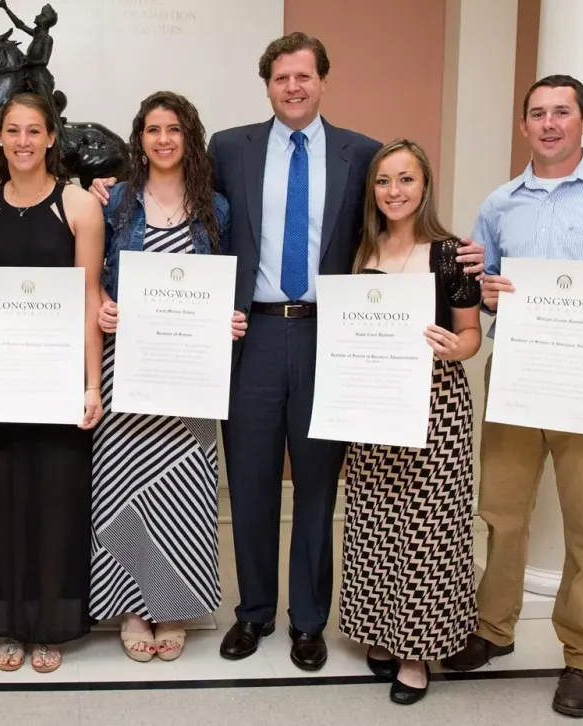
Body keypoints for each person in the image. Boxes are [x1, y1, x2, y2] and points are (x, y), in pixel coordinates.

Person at [91, 32, 483, 671]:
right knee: (248, 483)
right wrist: (111, 185)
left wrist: (462, 258)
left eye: (304, 77)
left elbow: (398, 221)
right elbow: (177, 193)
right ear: (267, 85)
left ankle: (307, 621)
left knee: (317, 484)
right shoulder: (229, 148)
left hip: (332, 337)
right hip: (250, 334)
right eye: (281, 79)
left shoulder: (361, 154)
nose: (293, 88)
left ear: (322, 80)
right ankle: (254, 614)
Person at [441, 75, 583, 719]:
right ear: (524, 126)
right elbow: (480, 294)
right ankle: (493, 629)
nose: (549, 124)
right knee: (501, 513)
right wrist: (483, 297)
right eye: (538, 114)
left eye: (561, 113)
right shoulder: (497, 205)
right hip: (516, 377)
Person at [92, 91, 246, 662]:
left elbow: (225, 281)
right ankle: (134, 606)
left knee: (185, 488)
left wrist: (227, 315)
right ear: (140, 138)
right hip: (124, 366)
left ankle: (175, 603)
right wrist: (103, 303)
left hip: (191, 375)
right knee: (123, 486)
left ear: (189, 139)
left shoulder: (217, 209)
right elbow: (93, 274)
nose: (162, 140)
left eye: (173, 130)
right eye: (152, 130)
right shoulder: (115, 202)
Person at [0, 92, 105, 674]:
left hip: (58, 379)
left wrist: (92, 385)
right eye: (10, 130)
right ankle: (9, 621)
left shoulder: (78, 207)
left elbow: (90, 299)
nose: (21, 141)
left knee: (55, 499)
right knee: (0, 500)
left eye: (32, 130)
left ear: (50, 139)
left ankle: (50, 626)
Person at [338, 139, 481, 705]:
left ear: (424, 187)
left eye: (406, 180)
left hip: (435, 405)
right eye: (383, 181)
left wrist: (454, 348)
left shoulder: (451, 254)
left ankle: (417, 651)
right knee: (373, 521)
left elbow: (470, 335)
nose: (394, 192)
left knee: (427, 530)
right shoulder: (359, 249)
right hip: (372, 404)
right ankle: (379, 629)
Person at [0, 1, 65, 121]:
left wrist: (29, 62)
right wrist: (6, 9)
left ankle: (57, 130)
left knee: (46, 110)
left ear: (44, 20)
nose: (37, 16)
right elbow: (19, 25)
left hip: (39, 77)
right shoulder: (36, 34)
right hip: (27, 73)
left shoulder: (47, 39)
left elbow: (44, 61)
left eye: (40, 15)